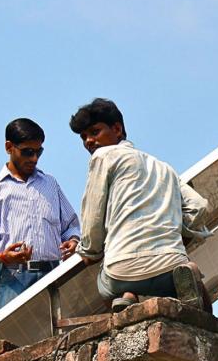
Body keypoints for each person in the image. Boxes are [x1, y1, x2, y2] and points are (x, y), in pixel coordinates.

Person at [68, 98, 210, 312]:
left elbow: (93, 216)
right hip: (170, 266)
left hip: (121, 272)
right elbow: (199, 206)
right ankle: (171, 280)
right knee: (188, 283)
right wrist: (174, 239)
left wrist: (88, 251)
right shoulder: (165, 168)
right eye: (83, 137)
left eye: (94, 132)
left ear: (117, 129)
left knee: (105, 285)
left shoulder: (103, 156)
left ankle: (128, 298)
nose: (89, 141)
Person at [0, 118, 81, 309]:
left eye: (39, 151)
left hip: (54, 272)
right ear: (9, 147)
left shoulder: (50, 184)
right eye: (27, 152)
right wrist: (2, 257)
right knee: (15, 336)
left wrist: (73, 241)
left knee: (61, 336)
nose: (34, 158)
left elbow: (70, 226)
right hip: (14, 279)